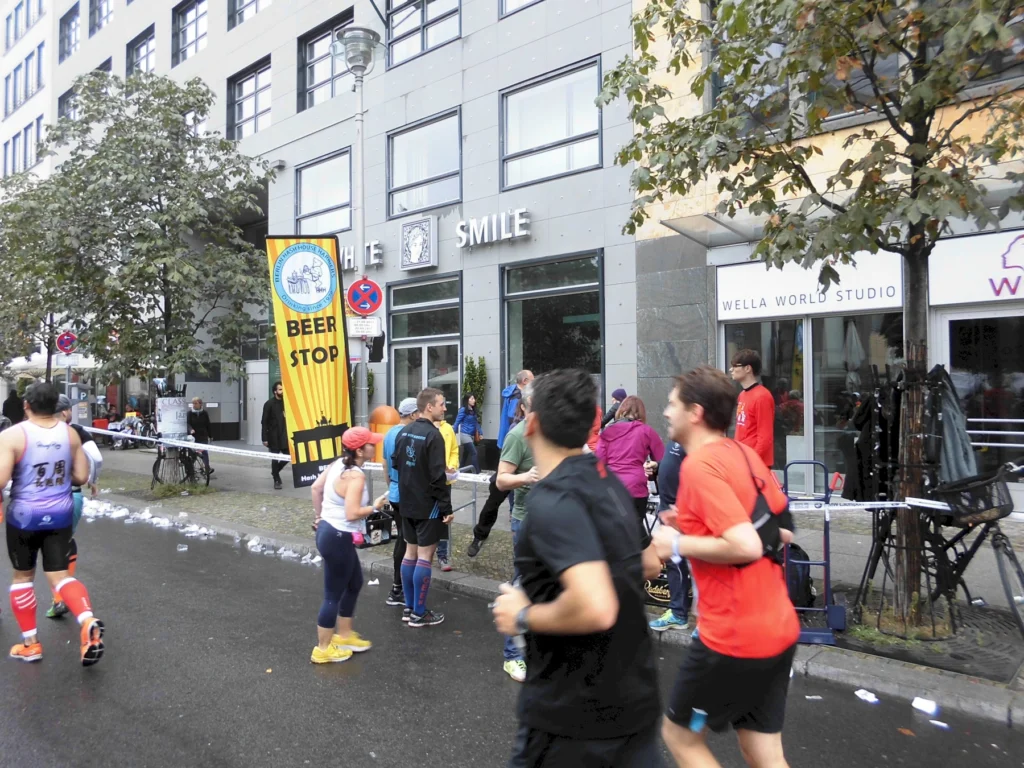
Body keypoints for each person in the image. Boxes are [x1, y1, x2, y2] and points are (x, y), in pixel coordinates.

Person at [492, 369, 663, 767]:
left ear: (531, 422)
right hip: (634, 705)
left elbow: (595, 607)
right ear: (592, 424)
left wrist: (521, 614)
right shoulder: (609, 483)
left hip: (571, 722)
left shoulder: (552, 500)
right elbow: (650, 564)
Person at [652, 366, 798, 768]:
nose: (665, 412)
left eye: (671, 403)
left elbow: (746, 544)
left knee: (680, 736)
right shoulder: (744, 454)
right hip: (778, 627)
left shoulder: (698, 466)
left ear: (695, 412)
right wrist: (697, 522)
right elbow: (782, 533)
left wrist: (676, 541)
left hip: (732, 635)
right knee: (763, 752)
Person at [0, 383, 105, 665]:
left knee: (23, 577)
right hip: (60, 513)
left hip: (24, 516)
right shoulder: (70, 434)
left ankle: (30, 644)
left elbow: (0, 479)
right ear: (57, 407)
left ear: (26, 406)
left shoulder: (12, 436)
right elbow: (82, 476)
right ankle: (87, 620)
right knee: (60, 575)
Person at [309, 427, 387, 663]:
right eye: (371, 444)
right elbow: (353, 513)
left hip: (329, 531)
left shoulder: (336, 464)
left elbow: (316, 488)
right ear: (360, 450)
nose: (375, 446)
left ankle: (344, 635)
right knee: (332, 594)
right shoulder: (355, 475)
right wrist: (375, 507)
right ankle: (322, 649)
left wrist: (319, 516)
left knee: (354, 583)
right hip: (338, 536)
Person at [392, 388, 452, 627]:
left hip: (406, 503)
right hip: (428, 506)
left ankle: (408, 608)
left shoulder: (404, 431)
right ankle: (419, 612)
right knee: (425, 557)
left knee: (410, 553)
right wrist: (446, 508)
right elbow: (438, 477)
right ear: (429, 407)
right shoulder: (433, 436)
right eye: (442, 404)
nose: (444, 408)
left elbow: (397, 463)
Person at [493, 384, 538, 682]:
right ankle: (513, 656)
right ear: (524, 407)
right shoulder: (516, 435)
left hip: (553, 518)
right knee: (523, 582)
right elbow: (501, 480)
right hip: (526, 519)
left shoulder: (551, 432)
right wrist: (527, 476)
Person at [46, 396, 103, 620]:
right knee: (66, 541)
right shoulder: (78, 432)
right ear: (67, 412)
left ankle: (60, 598)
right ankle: (61, 597)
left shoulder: (37, 432)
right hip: (74, 495)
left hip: (46, 497)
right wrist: (93, 479)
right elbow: (96, 459)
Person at [467, 370, 533, 558]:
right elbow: (512, 422)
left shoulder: (518, 395)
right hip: (511, 453)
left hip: (519, 456)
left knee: (507, 497)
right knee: (496, 497)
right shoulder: (516, 397)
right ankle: (479, 535)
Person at [596, 395, 665, 539]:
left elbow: (599, 463)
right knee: (635, 532)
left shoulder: (607, 432)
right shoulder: (646, 431)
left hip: (612, 488)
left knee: (613, 533)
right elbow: (662, 458)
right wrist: (654, 466)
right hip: (636, 488)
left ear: (621, 410)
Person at [646, 440, 692, 633]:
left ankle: (680, 614)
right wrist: (658, 467)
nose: (668, 413)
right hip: (669, 508)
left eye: (674, 407)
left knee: (679, 561)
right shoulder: (679, 438)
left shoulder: (695, 441)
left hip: (679, 511)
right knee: (675, 562)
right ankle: (678, 612)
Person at [381, 398, 419, 612]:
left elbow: (385, 464)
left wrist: (391, 487)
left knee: (403, 540)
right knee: (406, 542)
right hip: (407, 493)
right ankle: (398, 589)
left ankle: (399, 587)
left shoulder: (389, 434)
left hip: (395, 491)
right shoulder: (410, 434)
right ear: (413, 415)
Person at [730, 349, 776, 469]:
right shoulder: (742, 395)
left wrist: (752, 461)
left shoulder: (762, 396)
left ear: (747, 368)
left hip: (756, 464)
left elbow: (765, 437)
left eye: (735, 366)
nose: (731, 369)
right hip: (743, 459)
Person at [435, 413, 460, 573]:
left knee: (444, 518)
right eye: (441, 405)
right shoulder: (423, 428)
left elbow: (454, 450)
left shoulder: (448, 428)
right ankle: (420, 552)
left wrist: (451, 466)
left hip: (445, 481)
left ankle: (442, 555)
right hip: (426, 483)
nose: (444, 408)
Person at [262, 381, 288, 490]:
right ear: (275, 391)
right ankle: (276, 480)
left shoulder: (286, 403)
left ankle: (275, 471)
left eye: (283, 389)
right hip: (273, 436)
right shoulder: (269, 404)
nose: (282, 391)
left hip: (284, 435)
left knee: (288, 456)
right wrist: (264, 438)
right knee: (275, 457)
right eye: (280, 389)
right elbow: (264, 422)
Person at [453, 393, 482, 473]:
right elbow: (457, 422)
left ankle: (460, 469)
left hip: (471, 435)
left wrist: (480, 432)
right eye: (472, 399)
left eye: (474, 399)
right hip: (464, 435)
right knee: (474, 453)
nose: (474, 401)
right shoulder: (463, 410)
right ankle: (477, 471)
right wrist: (453, 433)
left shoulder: (473, 410)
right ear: (467, 400)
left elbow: (476, 423)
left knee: (465, 454)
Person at [188, 397, 214, 477]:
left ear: (200, 404)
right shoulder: (190, 413)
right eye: (193, 403)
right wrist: (190, 429)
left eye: (195, 403)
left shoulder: (204, 413)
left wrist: (210, 435)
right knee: (193, 454)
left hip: (203, 435)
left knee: (204, 452)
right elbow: (187, 423)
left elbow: (208, 424)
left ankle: (207, 468)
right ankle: (190, 469)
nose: (194, 405)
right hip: (193, 437)